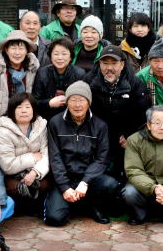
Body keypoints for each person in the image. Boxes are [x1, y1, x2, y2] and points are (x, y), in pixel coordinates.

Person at [44, 81, 120, 226]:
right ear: (67, 102)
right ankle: (71, 204)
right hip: (65, 178)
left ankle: (94, 206)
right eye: (73, 100)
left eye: (81, 100)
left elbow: (102, 159)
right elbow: (55, 158)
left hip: (89, 179)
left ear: (89, 103)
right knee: (55, 219)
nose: (77, 105)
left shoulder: (100, 125)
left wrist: (85, 181)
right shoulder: (55, 123)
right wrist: (65, 187)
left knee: (110, 184)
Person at [84, 45, 151, 179]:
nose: (109, 68)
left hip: (124, 136)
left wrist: (130, 136)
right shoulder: (89, 82)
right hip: (97, 135)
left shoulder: (135, 84)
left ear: (122, 64)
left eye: (114, 63)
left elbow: (141, 115)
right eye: (105, 63)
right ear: (99, 64)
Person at [0, 30, 40, 140]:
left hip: (25, 125)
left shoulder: (32, 70)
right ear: (6, 49)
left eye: (21, 48)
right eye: (13, 48)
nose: (17, 53)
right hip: (0, 126)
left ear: (27, 51)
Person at [0, 93, 50, 212]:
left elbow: (46, 155)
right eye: (19, 107)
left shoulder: (41, 126)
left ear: (33, 110)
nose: (24, 111)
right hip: (11, 175)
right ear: (12, 111)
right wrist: (32, 157)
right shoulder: (4, 131)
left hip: (34, 171)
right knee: (15, 187)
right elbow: (7, 165)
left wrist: (35, 172)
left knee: (45, 184)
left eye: (27, 107)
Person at [32, 37, 86, 122]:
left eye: (64, 54)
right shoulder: (42, 73)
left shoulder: (79, 74)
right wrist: (49, 103)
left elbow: (84, 100)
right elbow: (35, 101)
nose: (60, 58)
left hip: (72, 117)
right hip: (47, 118)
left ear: (71, 57)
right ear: (50, 56)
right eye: (56, 54)